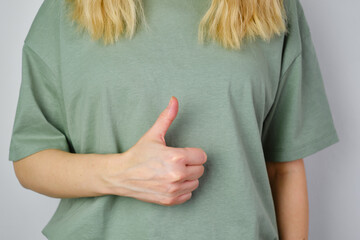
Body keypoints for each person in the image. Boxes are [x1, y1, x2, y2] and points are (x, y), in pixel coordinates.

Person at [8, 0, 339, 239]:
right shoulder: (67, 8)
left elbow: (284, 167)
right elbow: (30, 159)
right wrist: (121, 174)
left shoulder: (271, 7)